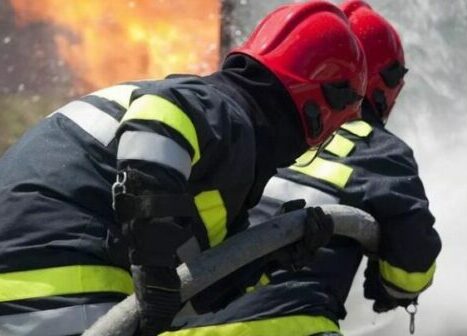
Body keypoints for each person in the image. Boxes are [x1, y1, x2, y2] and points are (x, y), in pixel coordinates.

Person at [0, 2, 367, 335]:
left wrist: (269, 258)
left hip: (27, 296)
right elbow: (160, 117)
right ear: (318, 110)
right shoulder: (224, 111)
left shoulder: (213, 151)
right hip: (61, 288)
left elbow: (194, 290)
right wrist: (153, 267)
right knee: (304, 318)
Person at [167, 1, 442, 335]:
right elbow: (411, 271)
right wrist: (389, 283)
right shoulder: (378, 150)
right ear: (383, 83)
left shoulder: (241, 130)